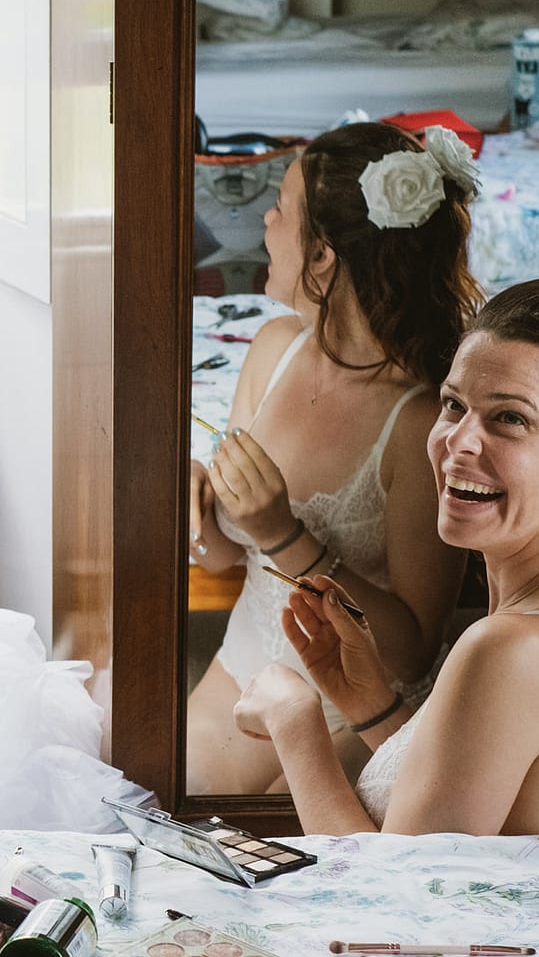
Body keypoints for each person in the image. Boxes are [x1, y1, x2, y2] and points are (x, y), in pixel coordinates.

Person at [235, 273, 539, 836]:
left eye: (510, 418)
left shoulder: (507, 653)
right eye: (453, 405)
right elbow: (477, 804)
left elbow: (390, 922)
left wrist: (295, 722)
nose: (458, 442)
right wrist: (369, 703)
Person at [188, 122, 479, 794]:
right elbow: (230, 556)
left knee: (280, 868)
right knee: (154, 813)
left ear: (322, 259)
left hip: (353, 716)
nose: (265, 219)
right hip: (241, 678)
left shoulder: (419, 421)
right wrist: (202, 513)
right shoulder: (271, 351)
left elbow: (411, 646)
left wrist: (284, 534)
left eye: (282, 207)